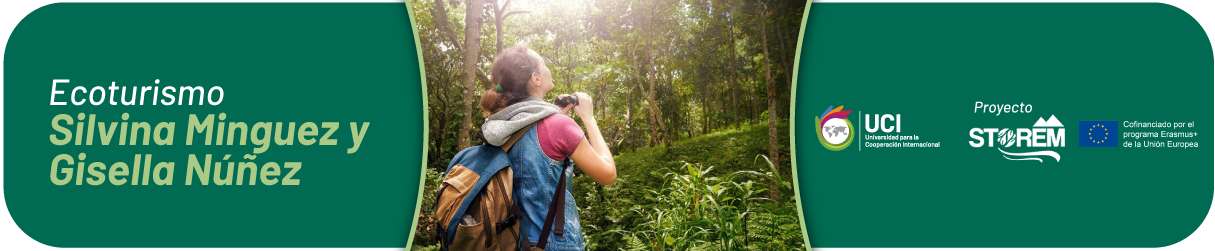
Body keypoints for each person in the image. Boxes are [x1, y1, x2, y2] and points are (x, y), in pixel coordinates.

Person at [477, 44, 616, 250]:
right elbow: (608, 174)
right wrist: (589, 118)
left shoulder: (495, 127)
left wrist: (557, 116)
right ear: (536, 78)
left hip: (509, 242)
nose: (547, 68)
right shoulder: (558, 125)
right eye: (543, 64)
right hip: (553, 243)